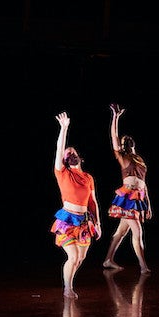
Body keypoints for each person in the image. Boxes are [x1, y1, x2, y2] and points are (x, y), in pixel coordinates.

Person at [50, 112, 102, 299]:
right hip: (68, 220)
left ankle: (68, 281)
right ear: (64, 160)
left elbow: (93, 202)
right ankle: (68, 288)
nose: (70, 153)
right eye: (67, 153)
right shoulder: (63, 173)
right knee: (73, 257)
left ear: (79, 157)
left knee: (80, 258)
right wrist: (64, 128)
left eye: (72, 151)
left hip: (84, 222)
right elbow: (59, 148)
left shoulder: (88, 178)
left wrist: (97, 224)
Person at [102, 103, 152, 273]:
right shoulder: (123, 158)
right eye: (124, 141)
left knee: (121, 232)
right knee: (137, 232)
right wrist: (116, 117)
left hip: (138, 199)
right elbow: (114, 137)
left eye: (128, 139)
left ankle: (108, 259)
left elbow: (144, 185)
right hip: (127, 198)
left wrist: (148, 205)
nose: (126, 140)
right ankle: (143, 266)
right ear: (123, 146)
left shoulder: (140, 160)